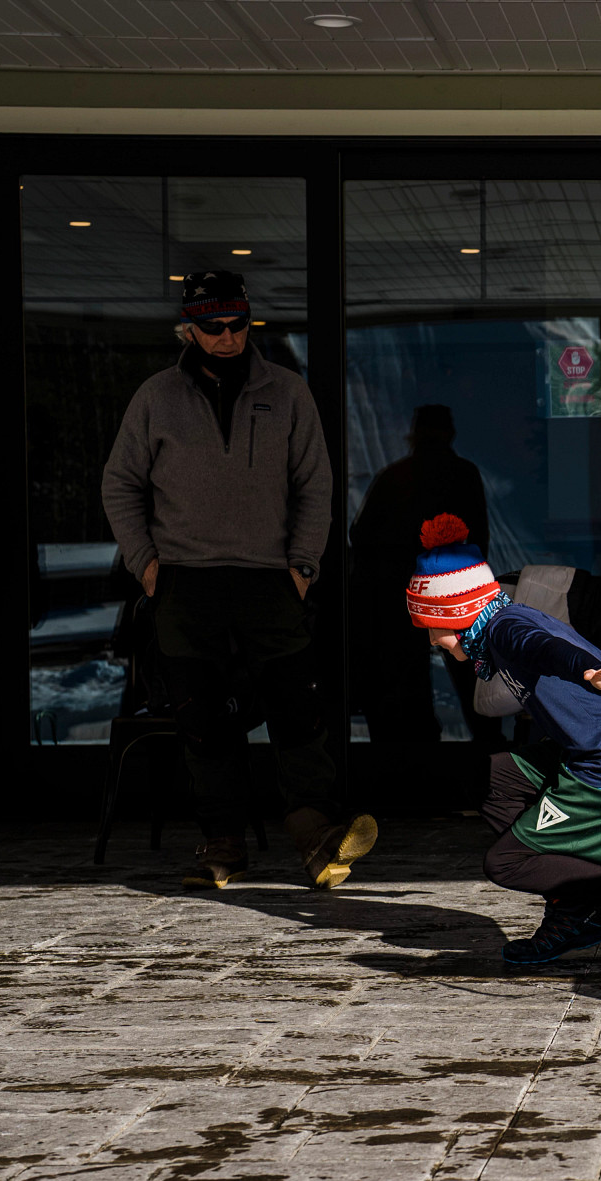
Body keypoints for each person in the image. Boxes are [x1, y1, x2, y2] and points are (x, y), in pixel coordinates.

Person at [101, 270, 376, 890]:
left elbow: (316, 484)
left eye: (236, 325)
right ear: (189, 327)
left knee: (297, 709)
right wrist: (146, 564)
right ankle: (222, 843)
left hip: (268, 581)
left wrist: (303, 566)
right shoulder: (156, 397)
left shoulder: (287, 393)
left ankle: (316, 837)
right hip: (184, 583)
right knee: (202, 717)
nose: (226, 337)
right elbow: (120, 483)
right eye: (212, 327)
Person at [407, 514, 601, 969]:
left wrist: (589, 673)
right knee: (488, 779)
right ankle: (574, 910)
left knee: (506, 864)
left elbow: (543, 647)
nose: (432, 640)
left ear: (459, 614)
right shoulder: (503, 619)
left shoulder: (506, 630)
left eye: (433, 626)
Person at [349, 404, 497, 745]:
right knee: (466, 677)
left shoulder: (397, 476)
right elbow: (479, 538)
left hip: (401, 592)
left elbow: (362, 534)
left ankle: (420, 756)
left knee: (409, 680)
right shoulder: (462, 474)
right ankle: (485, 755)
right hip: (453, 592)